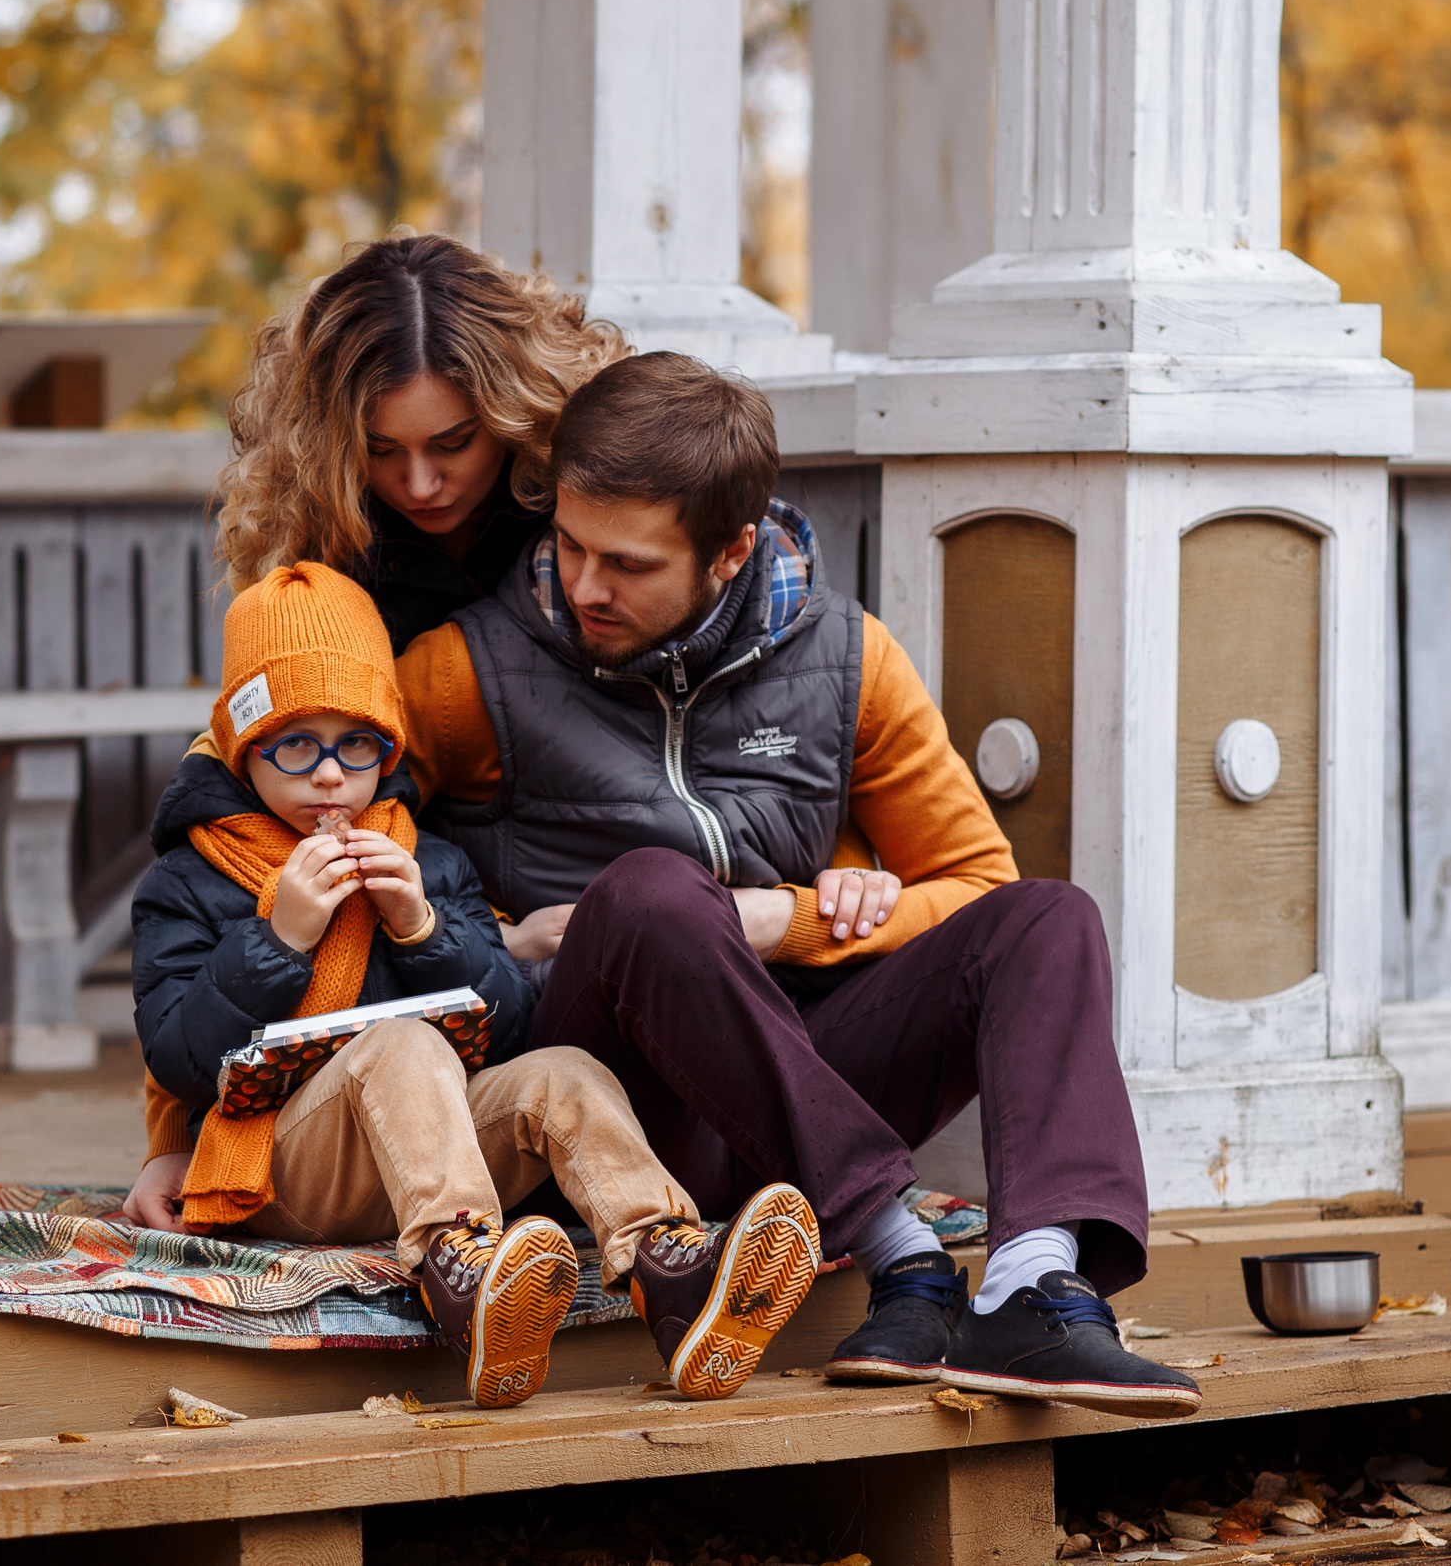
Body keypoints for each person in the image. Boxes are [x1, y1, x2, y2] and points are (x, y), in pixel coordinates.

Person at [394, 351, 1203, 1419]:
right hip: (610, 1119)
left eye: (627, 564)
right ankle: (899, 1251)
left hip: (795, 1083)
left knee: (1048, 918)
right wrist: (500, 936)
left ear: (731, 552)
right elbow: (313, 846)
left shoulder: (847, 658)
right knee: (644, 892)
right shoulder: (466, 669)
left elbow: (973, 880)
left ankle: (1029, 1284)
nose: (584, 586)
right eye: (569, 544)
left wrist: (795, 916)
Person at [120, 561, 820, 1407]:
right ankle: (466, 1280)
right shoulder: (188, 879)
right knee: (402, 1043)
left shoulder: (428, 860)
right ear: (243, 746)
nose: (333, 776)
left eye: (359, 743)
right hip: (282, 1166)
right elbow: (178, 1052)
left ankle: (671, 1271)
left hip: (420, 1145)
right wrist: (280, 939)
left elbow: (512, 1018)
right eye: (296, 744)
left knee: (560, 1069)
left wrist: (421, 926)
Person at [217, 232, 630, 652]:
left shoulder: (582, 489)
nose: (420, 486)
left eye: (454, 444)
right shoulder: (309, 526)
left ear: (517, 414)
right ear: (327, 445)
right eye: (378, 450)